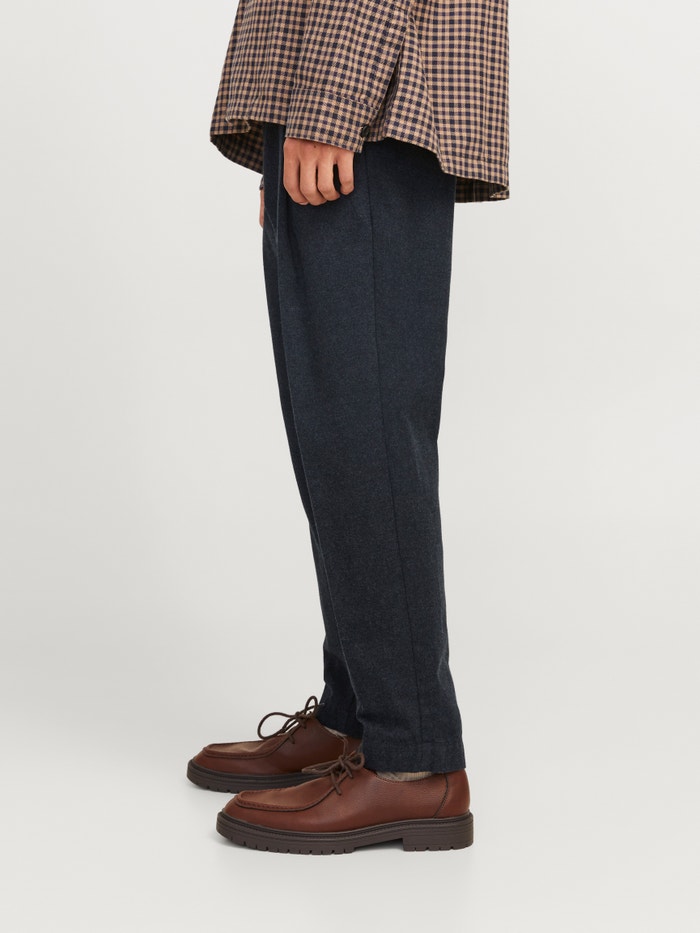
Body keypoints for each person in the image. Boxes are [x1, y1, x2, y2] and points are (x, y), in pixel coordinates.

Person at [188, 0, 509, 855]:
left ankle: (414, 759)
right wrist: (289, 129)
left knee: (365, 431)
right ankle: (356, 713)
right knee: (334, 430)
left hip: (375, 103)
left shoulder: (348, 103)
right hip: (343, 98)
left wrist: (330, 107)